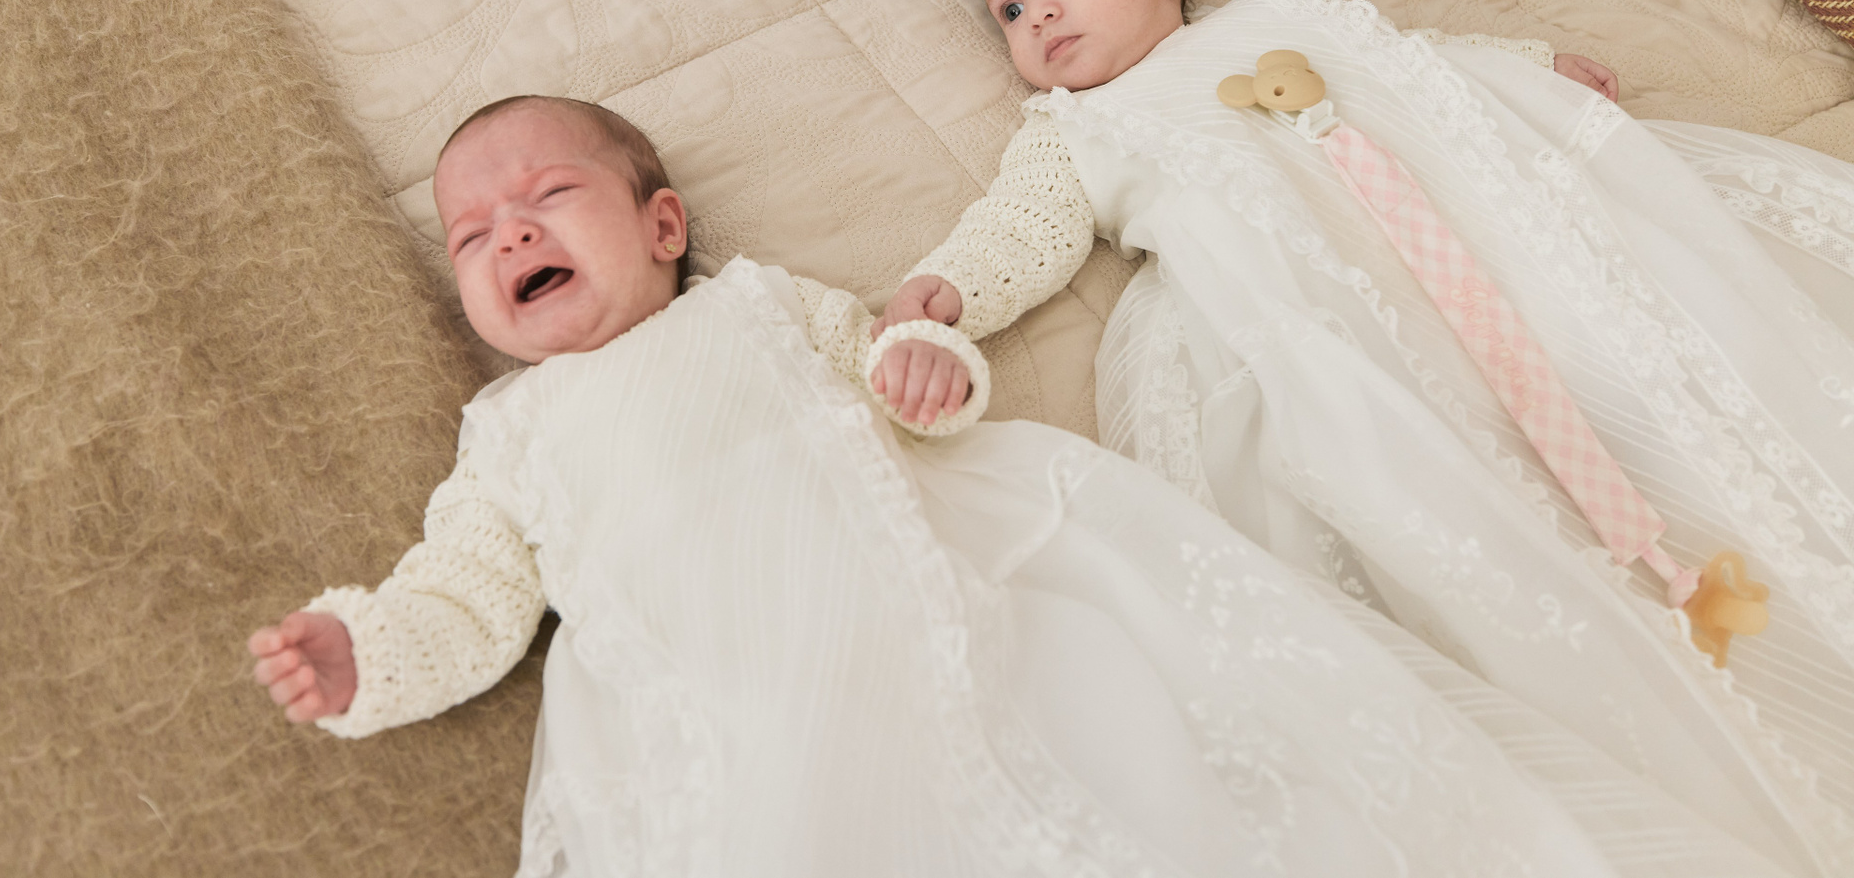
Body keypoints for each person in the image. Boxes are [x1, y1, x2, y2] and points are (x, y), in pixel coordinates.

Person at [246, 96, 1795, 877]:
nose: (509, 232)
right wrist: (363, 652)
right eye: (473, 236)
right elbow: (465, 599)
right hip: (727, 684)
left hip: (945, 581)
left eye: (546, 195)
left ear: (662, 226)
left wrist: (933, 370)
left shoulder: (760, 305)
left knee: (1138, 755)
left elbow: (895, 367)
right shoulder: (509, 436)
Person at [873, 0, 1854, 870]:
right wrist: (943, 297)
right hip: (1323, 319)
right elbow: (1018, 230)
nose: (1039, 14)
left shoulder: (1278, 12)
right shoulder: (1075, 131)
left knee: (1604, 350)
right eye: (1009, 10)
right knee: (1429, 463)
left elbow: (1408, 60)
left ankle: (1690, 502)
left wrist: (1531, 62)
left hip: (1468, 247)